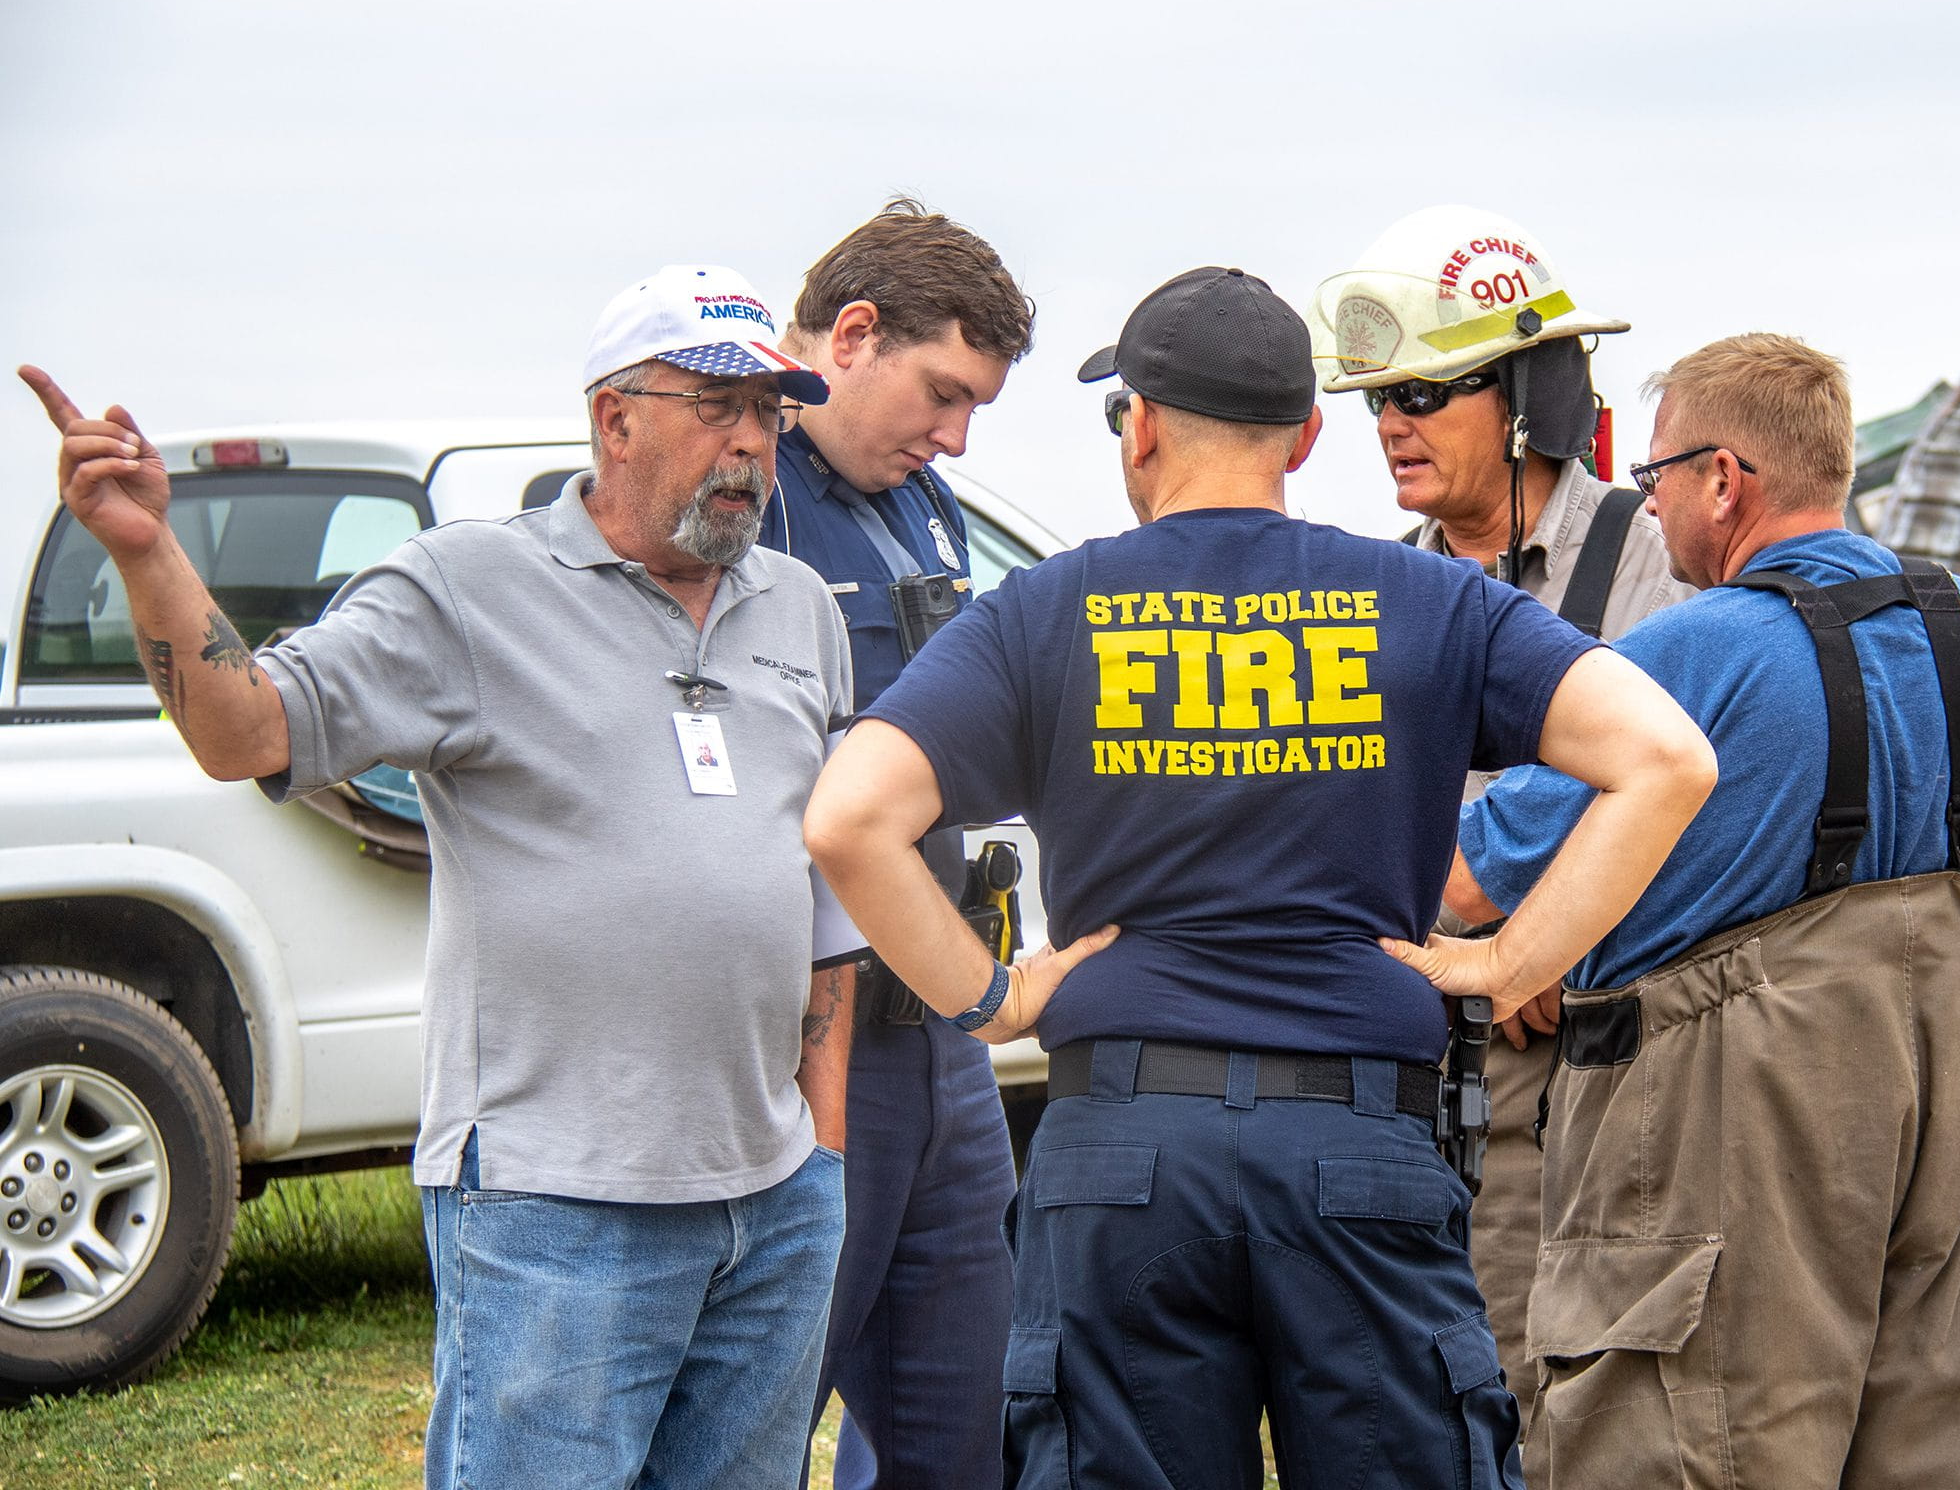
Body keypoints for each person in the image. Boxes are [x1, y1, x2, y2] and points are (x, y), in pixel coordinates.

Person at [803, 267, 1718, 1489]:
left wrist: (993, 999)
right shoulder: (1432, 601)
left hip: (1124, 1151)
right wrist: (1508, 963)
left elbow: (851, 817)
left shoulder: (1049, 611)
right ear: (1306, 434)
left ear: (1141, 427)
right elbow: (1666, 758)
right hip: (1361, 1147)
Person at [19, 262, 856, 1490]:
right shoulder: (468, 589)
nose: (751, 443)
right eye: (715, 406)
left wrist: (822, 1154)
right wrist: (147, 551)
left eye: (769, 414)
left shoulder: (797, 608)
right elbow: (247, 729)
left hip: (775, 1205)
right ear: (614, 417)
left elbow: (820, 884)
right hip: (554, 1211)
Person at [1407, 333, 1960, 1489]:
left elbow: (1468, 879)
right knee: (1926, 1440)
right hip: (1957, 1124)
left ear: (1724, 479)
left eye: (1656, 478)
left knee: (1695, 1436)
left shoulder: (1688, 652)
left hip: (1726, 1127)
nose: (1652, 505)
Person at [1310, 204, 1698, 1419]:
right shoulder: (1386, 585)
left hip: (1598, 1056)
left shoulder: (1653, 564)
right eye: (1380, 400)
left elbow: (1680, 777)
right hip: (1422, 1051)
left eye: (1425, 395)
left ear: (1527, 394)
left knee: (1553, 1381)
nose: (1391, 424)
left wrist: (1537, 940)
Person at [756, 199, 1033, 1490]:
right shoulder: (742, 497)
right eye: (941, 392)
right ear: (851, 335)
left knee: (963, 1420)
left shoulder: (918, 502)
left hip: (937, 1035)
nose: (955, 434)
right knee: (759, 1413)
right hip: (802, 1038)